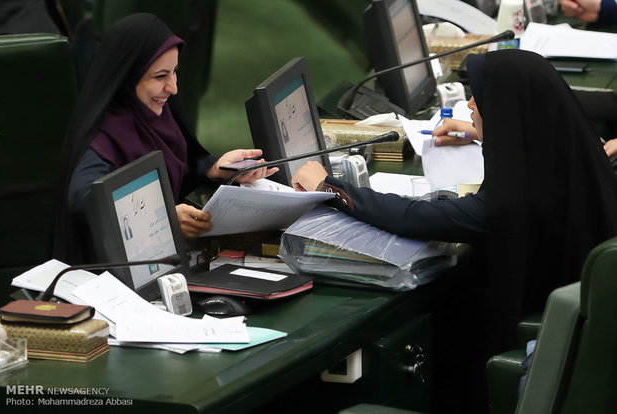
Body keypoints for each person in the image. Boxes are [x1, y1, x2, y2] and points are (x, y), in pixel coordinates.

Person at [292, 48, 617, 412]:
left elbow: (414, 218)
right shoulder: (581, 156)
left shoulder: (512, 203)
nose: (472, 104)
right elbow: (530, 140)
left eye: (482, 98)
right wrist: (483, 133)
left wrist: (329, 186)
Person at [52, 13, 277, 264]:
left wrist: (214, 167)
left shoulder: (154, 113)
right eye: (160, 76)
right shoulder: (104, 138)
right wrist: (162, 219)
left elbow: (172, 171)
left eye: (174, 72)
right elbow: (84, 200)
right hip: (117, 274)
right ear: (127, 77)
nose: (173, 88)